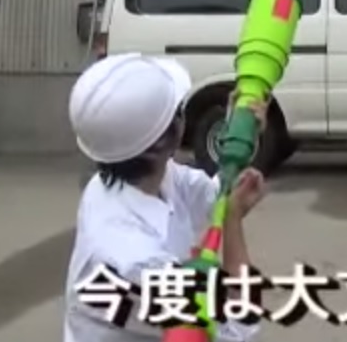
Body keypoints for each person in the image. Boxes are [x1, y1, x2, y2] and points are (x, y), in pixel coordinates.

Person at [64, 52, 269, 342]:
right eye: (180, 110)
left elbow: (214, 195)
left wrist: (239, 134)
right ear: (162, 142)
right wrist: (233, 221)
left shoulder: (134, 178)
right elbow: (237, 327)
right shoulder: (133, 263)